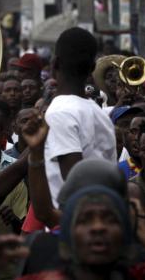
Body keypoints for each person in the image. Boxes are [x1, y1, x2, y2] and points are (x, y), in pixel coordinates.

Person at [44, 28, 117, 206]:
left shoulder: (59, 113)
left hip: (76, 223)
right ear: (93, 68)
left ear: (55, 64)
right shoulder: (99, 113)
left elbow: (76, 182)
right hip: (105, 214)